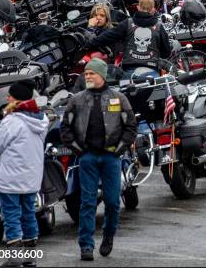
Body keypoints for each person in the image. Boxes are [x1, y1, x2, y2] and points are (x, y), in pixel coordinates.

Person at [60, 58, 137, 261]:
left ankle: (108, 236)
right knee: (87, 202)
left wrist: (120, 149)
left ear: (102, 75)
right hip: (87, 158)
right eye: (85, 74)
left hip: (111, 157)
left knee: (112, 202)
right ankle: (86, 245)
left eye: (91, 73)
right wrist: (78, 151)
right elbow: (65, 129)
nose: (87, 76)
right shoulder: (76, 100)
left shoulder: (119, 98)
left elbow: (131, 126)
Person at [0, 80, 48, 268]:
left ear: (17, 99)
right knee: (29, 214)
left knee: (11, 215)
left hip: (10, 178)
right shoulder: (41, 120)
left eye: (10, 95)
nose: (7, 98)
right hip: (31, 178)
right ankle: (30, 257)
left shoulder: (12, 121)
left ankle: (14, 258)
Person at [86, 0, 172, 78]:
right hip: (152, 73)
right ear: (153, 9)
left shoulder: (127, 23)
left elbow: (105, 38)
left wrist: (87, 42)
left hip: (129, 72)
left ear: (138, 7)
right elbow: (166, 53)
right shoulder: (159, 27)